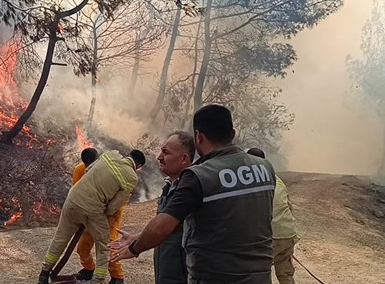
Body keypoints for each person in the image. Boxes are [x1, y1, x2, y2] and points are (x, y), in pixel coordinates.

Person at [110, 104, 277, 284]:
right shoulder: (265, 168)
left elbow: (162, 227)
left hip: (216, 277)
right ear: (233, 133)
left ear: (199, 137)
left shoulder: (200, 176)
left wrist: (135, 248)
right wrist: (139, 236)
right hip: (259, 277)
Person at [38, 149, 146, 284]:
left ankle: (44, 274)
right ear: (138, 166)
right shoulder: (132, 177)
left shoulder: (110, 154)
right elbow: (115, 205)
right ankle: (98, 280)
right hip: (94, 211)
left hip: (72, 200)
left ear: (128, 155)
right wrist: (100, 213)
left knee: (59, 239)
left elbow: (89, 170)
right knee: (104, 245)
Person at [112, 131, 194, 284]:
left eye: (166, 152)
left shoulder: (190, 191)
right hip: (167, 273)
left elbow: (161, 229)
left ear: (184, 158)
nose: (159, 157)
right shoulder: (170, 187)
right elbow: (168, 228)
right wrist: (136, 237)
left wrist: (134, 248)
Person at [72, 148, 127, 284]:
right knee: (82, 247)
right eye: (87, 166)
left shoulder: (112, 172)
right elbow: (77, 192)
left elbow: (124, 195)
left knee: (107, 246)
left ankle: (117, 277)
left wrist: (108, 209)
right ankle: (88, 269)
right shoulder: (79, 170)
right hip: (91, 214)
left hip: (110, 214)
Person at [247, 147, 299, 284]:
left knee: (260, 273)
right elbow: (289, 207)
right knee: (285, 274)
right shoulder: (277, 179)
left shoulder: (250, 181)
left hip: (270, 236)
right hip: (288, 234)